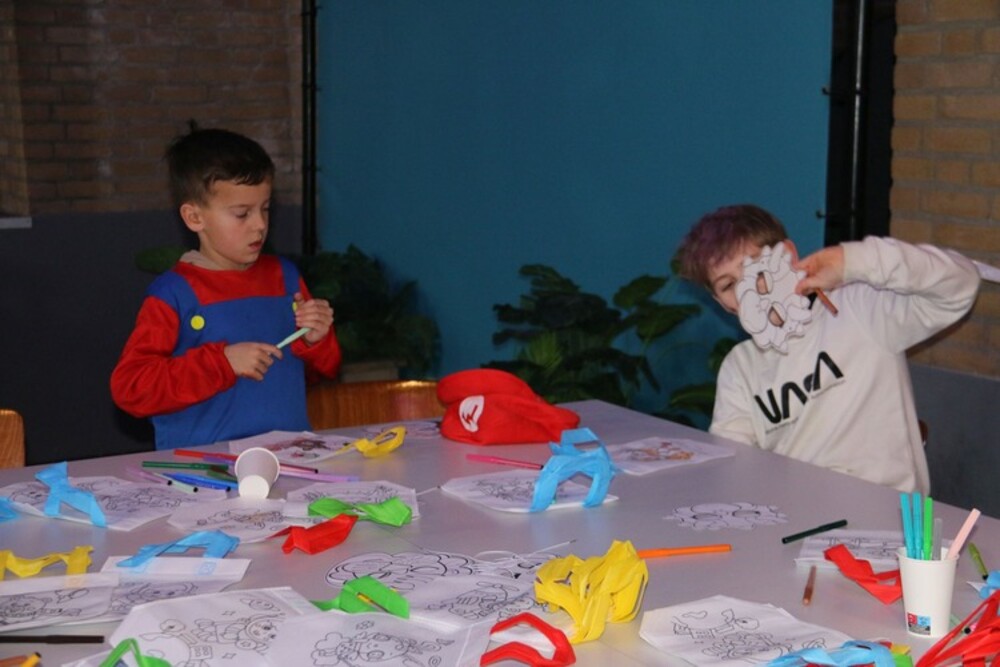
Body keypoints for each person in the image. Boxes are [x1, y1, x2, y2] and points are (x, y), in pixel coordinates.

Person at [675, 204, 980, 493]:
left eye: (754, 269)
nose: (750, 291)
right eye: (729, 285)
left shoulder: (861, 310)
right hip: (798, 516)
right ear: (721, 303)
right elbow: (734, 463)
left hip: (888, 513)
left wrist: (850, 262)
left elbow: (961, 285)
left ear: (787, 256)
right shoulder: (739, 367)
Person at [111, 127, 341, 450]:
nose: (259, 224)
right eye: (242, 213)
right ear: (194, 217)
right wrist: (222, 363)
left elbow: (321, 371)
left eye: (265, 208)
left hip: (291, 461)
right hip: (204, 471)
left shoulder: (286, 277)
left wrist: (316, 340)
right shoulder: (173, 294)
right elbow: (131, 389)